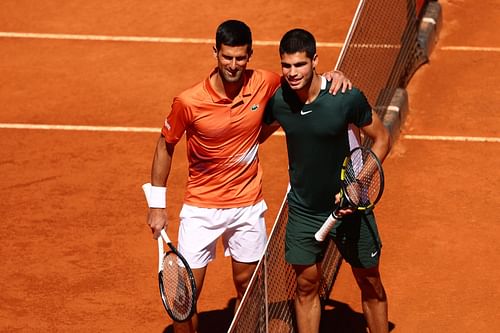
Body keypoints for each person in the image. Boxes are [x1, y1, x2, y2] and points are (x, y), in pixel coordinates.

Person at [145, 20, 351, 333]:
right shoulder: (188, 102)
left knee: (249, 289)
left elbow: (303, 82)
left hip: (247, 206)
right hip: (201, 209)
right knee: (185, 297)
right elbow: (165, 146)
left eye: (240, 58)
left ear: (250, 55)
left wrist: (333, 77)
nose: (233, 64)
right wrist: (157, 205)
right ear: (215, 52)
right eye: (227, 57)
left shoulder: (264, 82)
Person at [261, 28, 391, 333]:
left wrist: (356, 184)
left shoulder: (344, 98)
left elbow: (382, 139)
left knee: (370, 283)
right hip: (304, 211)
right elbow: (255, 134)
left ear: (315, 60)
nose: (292, 73)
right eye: (286, 65)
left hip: (352, 210)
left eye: (300, 64)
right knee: (305, 289)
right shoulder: (280, 101)